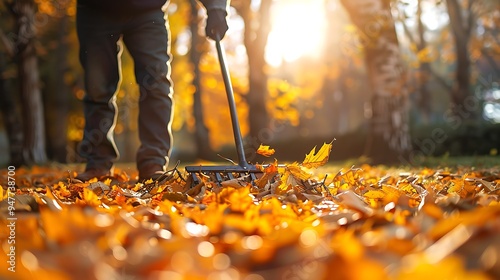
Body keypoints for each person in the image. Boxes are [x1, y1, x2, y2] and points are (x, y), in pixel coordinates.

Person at [75, 0, 229, 182]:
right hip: (95, 10)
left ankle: (153, 163)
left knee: (156, 84)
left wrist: (216, 7)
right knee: (97, 88)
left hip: (148, 11)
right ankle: (98, 163)